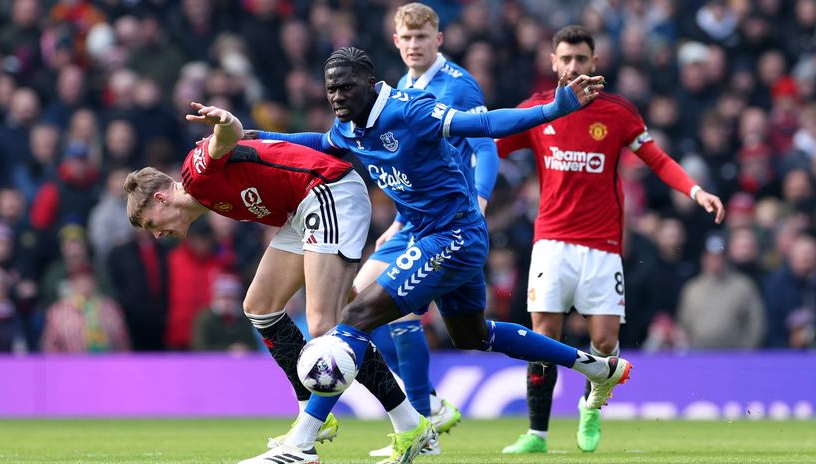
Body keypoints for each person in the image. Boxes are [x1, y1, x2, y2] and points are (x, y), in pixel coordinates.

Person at [250, 46, 630, 464]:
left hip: (453, 236)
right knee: (472, 335)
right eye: (331, 89)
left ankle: (303, 442)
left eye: (346, 87)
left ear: (370, 83)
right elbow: (322, 143)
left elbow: (484, 124)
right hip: (439, 237)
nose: (337, 96)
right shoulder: (350, 126)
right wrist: (258, 140)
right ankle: (597, 368)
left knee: (353, 319)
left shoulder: (408, 110)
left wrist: (555, 109)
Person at [123, 102, 427, 464]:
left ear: (160, 199)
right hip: (303, 209)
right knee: (260, 306)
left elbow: (228, 137)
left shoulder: (194, 175)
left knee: (325, 326)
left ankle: (303, 441)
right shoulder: (207, 199)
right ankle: (401, 423)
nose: (156, 235)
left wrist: (225, 121)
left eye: (150, 225)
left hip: (327, 193)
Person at [496, 26, 725, 455]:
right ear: (552, 62)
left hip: (602, 245)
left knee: (603, 342)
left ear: (595, 63)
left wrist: (695, 190)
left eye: (581, 59)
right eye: (565, 59)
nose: (573, 67)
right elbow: (492, 145)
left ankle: (591, 406)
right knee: (542, 335)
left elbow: (655, 158)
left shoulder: (617, 112)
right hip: (551, 242)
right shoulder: (536, 110)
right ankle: (537, 433)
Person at [359, 3, 499, 456]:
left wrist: (479, 201)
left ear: (439, 39)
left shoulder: (459, 85)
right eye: (407, 38)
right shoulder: (402, 86)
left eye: (423, 38)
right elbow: (410, 162)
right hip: (415, 219)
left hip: (452, 217)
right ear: (396, 41)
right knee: (363, 294)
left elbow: (486, 147)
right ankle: (428, 408)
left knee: (394, 307)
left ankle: (422, 416)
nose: (415, 45)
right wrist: (398, 218)